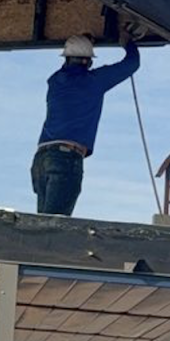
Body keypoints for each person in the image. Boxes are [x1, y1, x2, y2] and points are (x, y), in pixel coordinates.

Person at [30, 29, 140, 215]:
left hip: (41, 159)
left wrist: (86, 43)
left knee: (44, 225)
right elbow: (132, 64)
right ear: (88, 61)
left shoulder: (55, 81)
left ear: (66, 58)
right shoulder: (93, 81)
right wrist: (128, 42)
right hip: (65, 159)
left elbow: (72, 69)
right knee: (55, 229)